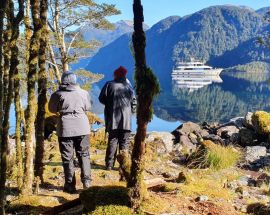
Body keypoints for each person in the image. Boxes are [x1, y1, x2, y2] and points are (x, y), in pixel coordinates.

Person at [49, 72, 91, 193]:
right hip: (82, 126)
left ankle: (70, 185)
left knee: (67, 157)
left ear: (63, 81)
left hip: (65, 128)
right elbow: (88, 107)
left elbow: (51, 109)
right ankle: (87, 182)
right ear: (75, 81)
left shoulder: (58, 94)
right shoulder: (84, 93)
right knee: (84, 154)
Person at [99, 66, 136, 170]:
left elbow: (101, 98)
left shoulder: (108, 85)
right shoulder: (129, 87)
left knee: (112, 141)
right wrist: (131, 111)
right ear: (124, 75)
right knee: (125, 143)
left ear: (115, 75)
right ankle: (123, 166)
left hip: (112, 119)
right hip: (126, 121)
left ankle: (109, 165)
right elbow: (134, 102)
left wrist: (109, 104)